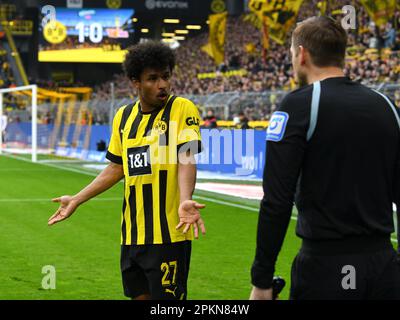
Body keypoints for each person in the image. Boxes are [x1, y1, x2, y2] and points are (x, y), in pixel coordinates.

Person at [250, 16, 400, 300]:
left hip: (326, 266)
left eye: (293, 54)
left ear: (302, 54)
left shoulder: (298, 104)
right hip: (384, 265)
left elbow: (276, 201)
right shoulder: (386, 106)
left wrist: (262, 279)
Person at [48, 41, 206, 300]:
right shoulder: (123, 116)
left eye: (165, 77)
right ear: (135, 82)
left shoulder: (181, 109)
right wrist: (77, 198)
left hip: (168, 234)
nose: (162, 84)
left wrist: (186, 198)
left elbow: (186, 157)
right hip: (132, 234)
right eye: (152, 79)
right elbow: (116, 167)